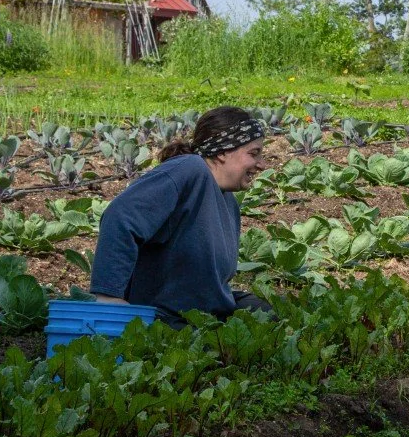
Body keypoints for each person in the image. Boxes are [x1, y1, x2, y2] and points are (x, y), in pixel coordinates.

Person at [91, 106, 276, 324]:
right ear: (222, 151)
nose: (262, 164)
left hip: (205, 314)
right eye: (253, 154)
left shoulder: (228, 201)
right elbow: (120, 215)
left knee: (276, 310)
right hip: (168, 317)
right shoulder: (190, 169)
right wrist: (109, 297)